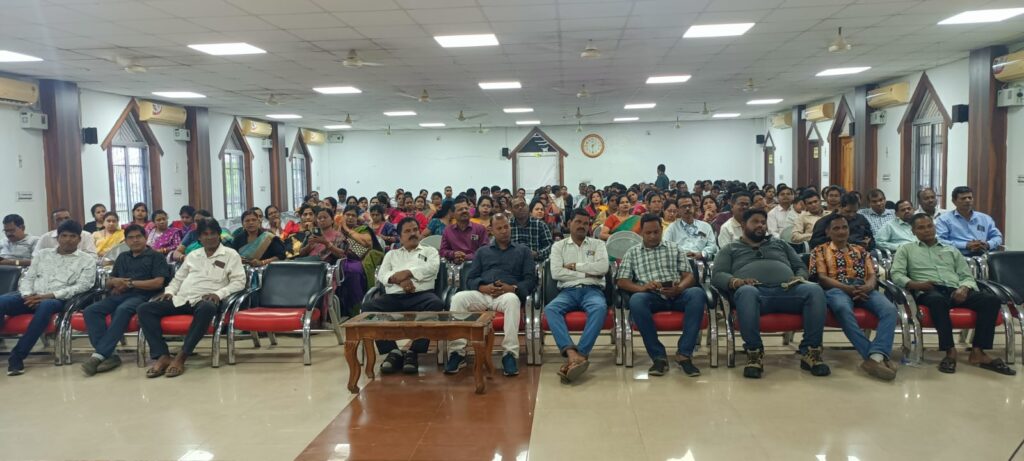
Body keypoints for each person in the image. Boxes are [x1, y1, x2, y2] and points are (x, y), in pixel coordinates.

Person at [890, 213, 1015, 376]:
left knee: (991, 300)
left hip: (956, 290)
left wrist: (964, 288)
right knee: (938, 301)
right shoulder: (906, 249)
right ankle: (950, 350)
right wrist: (915, 284)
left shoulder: (951, 249)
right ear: (913, 231)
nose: (927, 230)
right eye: (921, 228)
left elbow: (966, 275)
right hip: (928, 289)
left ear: (935, 227)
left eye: (929, 226)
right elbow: (897, 274)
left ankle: (978, 351)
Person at [711, 209, 830, 379]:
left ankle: (811, 352)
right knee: (746, 292)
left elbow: (800, 266)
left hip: (788, 290)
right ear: (743, 225)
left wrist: (800, 277)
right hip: (755, 293)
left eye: (763, 222)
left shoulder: (780, 244)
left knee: (815, 290)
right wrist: (737, 282)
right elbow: (718, 275)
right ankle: (754, 353)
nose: (760, 225)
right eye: (755, 222)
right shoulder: (730, 248)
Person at [137, 219, 245, 378]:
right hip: (182, 298)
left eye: (213, 233)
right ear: (199, 237)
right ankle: (162, 355)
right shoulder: (193, 255)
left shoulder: (230, 254)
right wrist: (170, 291)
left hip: (207, 300)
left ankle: (182, 356)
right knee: (144, 309)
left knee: (207, 307)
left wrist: (219, 294)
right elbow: (178, 279)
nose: (209, 237)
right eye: (205, 234)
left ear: (219, 235)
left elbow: (239, 282)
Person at [808, 214, 899, 381]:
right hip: (836, 288)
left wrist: (868, 286)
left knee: (890, 310)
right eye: (836, 228)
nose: (841, 231)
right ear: (828, 232)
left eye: (844, 227)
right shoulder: (819, 250)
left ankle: (876, 356)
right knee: (842, 308)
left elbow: (872, 275)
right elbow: (822, 278)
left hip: (863, 288)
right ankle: (874, 357)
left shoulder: (861, 250)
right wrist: (847, 289)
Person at [445, 214, 536, 377]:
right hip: (484, 293)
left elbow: (530, 280)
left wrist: (512, 288)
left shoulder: (523, 251)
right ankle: (457, 353)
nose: (504, 231)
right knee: (458, 298)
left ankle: (509, 354)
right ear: (492, 231)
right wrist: (483, 287)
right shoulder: (482, 252)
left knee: (512, 301)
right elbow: (471, 278)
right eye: (499, 228)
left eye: (506, 227)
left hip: (506, 295)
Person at [617, 214, 708, 377]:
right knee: (636, 300)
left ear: (661, 230)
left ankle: (684, 354)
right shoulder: (632, 253)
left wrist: (679, 288)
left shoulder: (674, 248)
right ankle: (658, 356)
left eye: (656, 232)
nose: (653, 236)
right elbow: (622, 281)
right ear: (641, 233)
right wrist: (642, 287)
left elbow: (689, 275)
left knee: (696, 293)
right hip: (651, 296)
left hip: (677, 293)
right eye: (648, 233)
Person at [0, 219, 95, 375]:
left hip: (57, 299)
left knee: (46, 306)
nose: (68, 240)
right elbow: (28, 278)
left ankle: (17, 356)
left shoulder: (87, 260)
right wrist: (27, 295)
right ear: (58, 238)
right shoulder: (42, 255)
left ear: (79, 239)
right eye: (64, 236)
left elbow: (82, 286)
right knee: (2, 301)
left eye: (72, 236)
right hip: (30, 296)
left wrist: (48, 296)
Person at [80, 224, 171, 376]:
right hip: (120, 295)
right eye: (131, 238)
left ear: (145, 237)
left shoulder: (156, 256)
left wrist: (130, 283)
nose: (135, 240)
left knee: (122, 310)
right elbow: (109, 281)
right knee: (91, 311)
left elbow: (158, 283)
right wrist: (114, 282)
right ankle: (110, 355)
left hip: (144, 296)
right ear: (126, 241)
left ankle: (99, 355)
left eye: (138, 237)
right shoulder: (122, 257)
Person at [362, 217, 444, 375]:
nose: (413, 233)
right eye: (407, 231)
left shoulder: (430, 251)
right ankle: (393, 351)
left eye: (415, 230)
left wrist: (407, 273)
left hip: (422, 296)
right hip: (394, 297)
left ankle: (414, 351)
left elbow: (432, 269)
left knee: (436, 304)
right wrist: (399, 280)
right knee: (368, 308)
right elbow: (382, 275)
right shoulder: (391, 254)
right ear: (400, 237)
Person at [546, 210, 609, 383]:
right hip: (568, 291)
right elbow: (557, 273)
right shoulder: (559, 246)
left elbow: (602, 268)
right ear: (569, 223)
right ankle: (571, 353)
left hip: (592, 290)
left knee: (599, 307)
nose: (582, 226)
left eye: (586, 223)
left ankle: (580, 354)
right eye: (578, 222)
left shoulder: (598, 244)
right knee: (551, 309)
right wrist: (587, 272)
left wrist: (575, 266)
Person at [935, 186, 1003, 257]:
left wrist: (988, 244)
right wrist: (965, 245)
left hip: (983, 255)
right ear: (954, 201)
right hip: (957, 256)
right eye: (963, 198)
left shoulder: (985, 218)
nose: (967, 200)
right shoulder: (944, 219)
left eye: (970, 198)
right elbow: (940, 240)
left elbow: (997, 237)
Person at [664, 193, 718, 262]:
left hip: (702, 261)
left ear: (694, 207)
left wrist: (702, 254)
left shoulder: (705, 226)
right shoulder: (672, 228)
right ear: (678, 210)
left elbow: (713, 246)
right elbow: (665, 247)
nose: (687, 208)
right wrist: (681, 254)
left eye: (690, 205)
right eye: (683, 206)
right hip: (681, 262)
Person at [810, 193, 874, 250]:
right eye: (848, 211)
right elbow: (814, 243)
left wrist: (868, 244)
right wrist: (837, 240)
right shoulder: (825, 221)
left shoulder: (861, 219)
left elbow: (871, 240)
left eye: (855, 211)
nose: (851, 215)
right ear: (839, 207)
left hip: (860, 252)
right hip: (832, 253)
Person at [439, 198, 488, 265]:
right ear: (453, 214)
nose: (464, 211)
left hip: (476, 265)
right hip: (454, 265)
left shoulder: (480, 229)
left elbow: (485, 250)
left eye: (466, 208)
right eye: (460, 209)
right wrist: (453, 254)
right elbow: (442, 251)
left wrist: (466, 257)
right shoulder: (448, 231)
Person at [509, 197, 553, 261]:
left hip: (535, 262)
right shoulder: (507, 225)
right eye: (516, 206)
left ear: (528, 207)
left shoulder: (540, 224)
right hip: (513, 262)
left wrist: (537, 254)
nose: (520, 208)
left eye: (523, 205)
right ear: (511, 210)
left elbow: (550, 246)